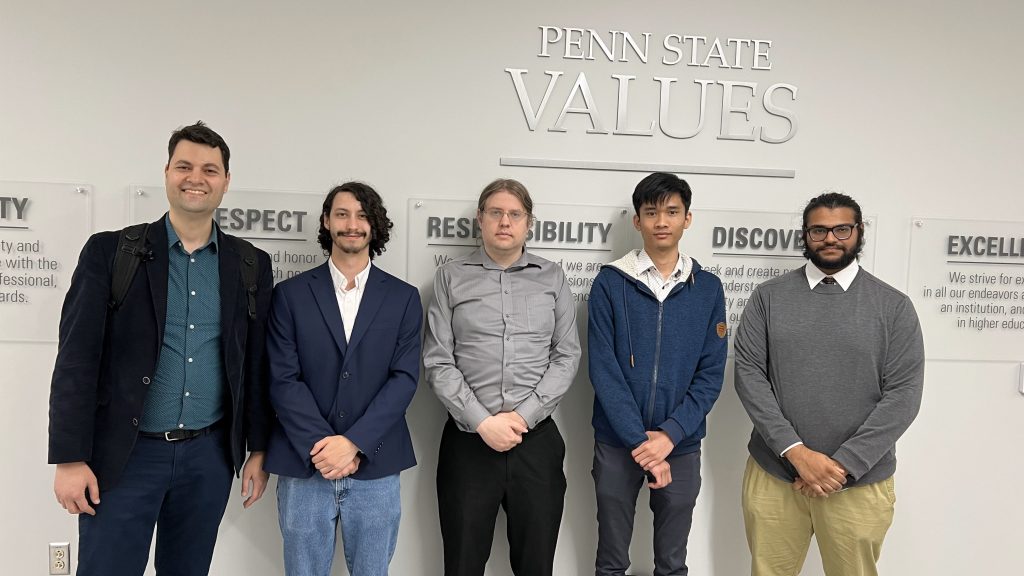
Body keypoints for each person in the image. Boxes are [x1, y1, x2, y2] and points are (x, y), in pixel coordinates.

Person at [48, 121, 273, 575]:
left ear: (226, 181)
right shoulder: (112, 253)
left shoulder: (250, 264)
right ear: (166, 173)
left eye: (210, 170)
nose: (197, 178)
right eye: (185, 166)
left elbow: (254, 366)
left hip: (207, 458)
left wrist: (259, 449)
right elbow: (75, 358)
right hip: (124, 456)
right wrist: (69, 458)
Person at [733, 192, 925, 576]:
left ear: (859, 232)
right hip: (776, 475)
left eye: (841, 229)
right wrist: (797, 453)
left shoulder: (893, 306)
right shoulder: (768, 298)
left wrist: (842, 466)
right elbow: (749, 375)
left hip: (858, 482)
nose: (831, 238)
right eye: (819, 230)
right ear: (805, 235)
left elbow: (903, 395)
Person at [423, 178, 581, 576]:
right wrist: (483, 422)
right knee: (462, 565)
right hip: (468, 444)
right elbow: (438, 361)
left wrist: (523, 416)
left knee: (535, 566)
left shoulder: (552, 278)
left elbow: (566, 356)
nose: (504, 221)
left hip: (536, 444)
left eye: (514, 214)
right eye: (495, 212)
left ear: (529, 223)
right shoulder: (450, 278)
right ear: (480, 219)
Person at [264, 182, 421, 576]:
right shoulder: (290, 295)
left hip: (376, 463)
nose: (353, 224)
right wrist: (324, 447)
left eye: (363, 215)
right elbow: (283, 379)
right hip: (305, 464)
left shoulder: (403, 298)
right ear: (326, 221)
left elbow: (403, 380)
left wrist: (353, 443)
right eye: (343, 214)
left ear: (375, 225)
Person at [587, 172, 727, 576]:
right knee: (611, 561)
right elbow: (604, 370)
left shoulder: (708, 288)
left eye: (671, 211)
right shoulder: (610, 284)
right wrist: (639, 440)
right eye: (651, 212)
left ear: (688, 218)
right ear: (637, 221)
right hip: (616, 442)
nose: (661, 221)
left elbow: (710, 373)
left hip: (680, 445)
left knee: (671, 562)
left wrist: (669, 435)